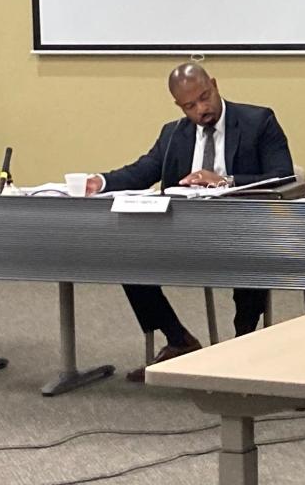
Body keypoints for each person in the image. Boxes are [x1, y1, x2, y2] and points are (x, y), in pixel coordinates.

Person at [86, 63, 294, 382]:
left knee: (252, 254)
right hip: (183, 233)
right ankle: (178, 340)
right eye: (190, 106)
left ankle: (242, 347)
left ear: (214, 84)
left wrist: (224, 180)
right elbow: (143, 171)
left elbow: (283, 175)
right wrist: (101, 181)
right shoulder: (174, 134)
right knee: (126, 256)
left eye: (205, 97)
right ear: (178, 106)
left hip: (241, 230)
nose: (202, 110)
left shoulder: (257, 121)